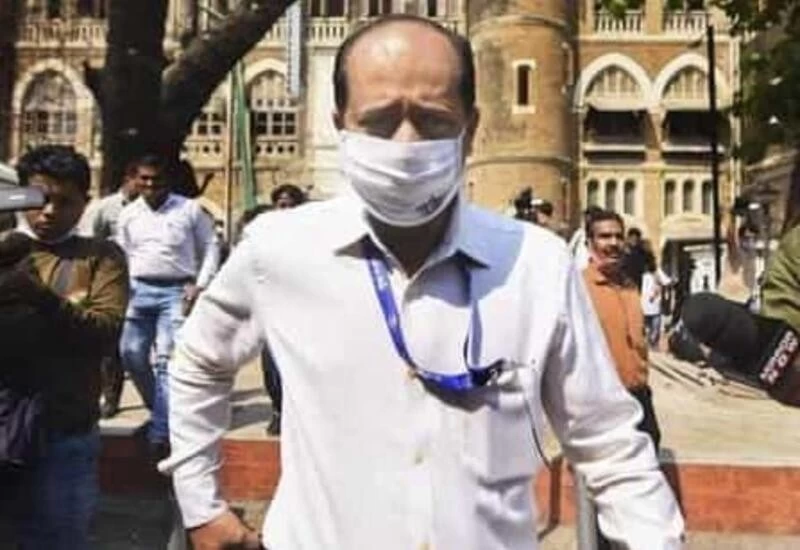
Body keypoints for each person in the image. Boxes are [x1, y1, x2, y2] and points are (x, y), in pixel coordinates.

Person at [161, 16, 683, 550]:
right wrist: (201, 506)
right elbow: (198, 361)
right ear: (341, 125)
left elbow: (607, 440)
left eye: (433, 121)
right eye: (380, 121)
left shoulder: (536, 265)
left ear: (471, 128)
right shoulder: (280, 251)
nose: (406, 143)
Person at [0, 145, 128, 549]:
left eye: (64, 201)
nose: (49, 212)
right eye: (39, 200)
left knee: (60, 537)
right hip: (4, 418)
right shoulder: (7, 251)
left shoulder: (100, 258)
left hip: (65, 427)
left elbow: (105, 330)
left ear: (84, 203)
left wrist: (39, 298)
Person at [117, 154, 219, 455]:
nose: (150, 184)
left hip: (176, 291)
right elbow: (123, 252)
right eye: (144, 178)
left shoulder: (189, 209)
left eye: (156, 179)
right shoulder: (128, 213)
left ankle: (160, 433)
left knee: (166, 360)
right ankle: (161, 409)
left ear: (168, 180)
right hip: (138, 290)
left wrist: (201, 284)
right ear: (136, 180)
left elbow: (211, 245)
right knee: (131, 354)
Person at [582, 210, 661, 450]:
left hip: (638, 394)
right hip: (600, 399)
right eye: (605, 236)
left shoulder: (629, 286)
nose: (614, 243)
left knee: (649, 449)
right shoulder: (578, 287)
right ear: (589, 243)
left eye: (618, 236)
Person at [83, 162, 142, 418]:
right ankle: (109, 396)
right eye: (140, 181)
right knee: (108, 342)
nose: (146, 186)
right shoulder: (104, 207)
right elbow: (88, 240)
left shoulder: (149, 211)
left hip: (140, 282)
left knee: (129, 346)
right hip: (109, 282)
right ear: (128, 179)